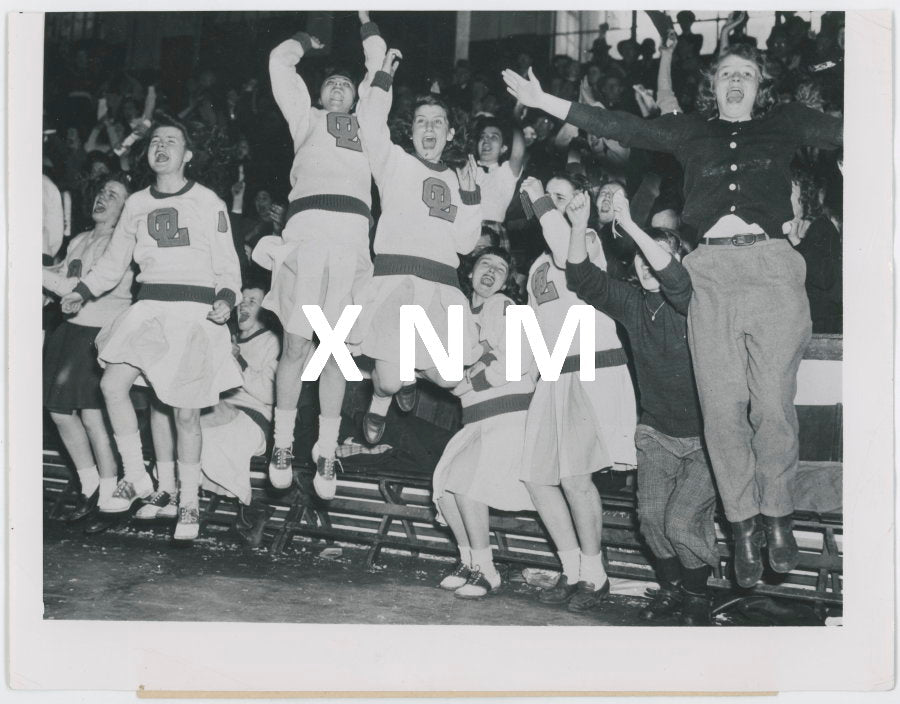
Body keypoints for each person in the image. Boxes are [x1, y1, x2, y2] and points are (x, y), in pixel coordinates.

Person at [502, 42, 842, 588]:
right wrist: (549, 101)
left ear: (760, 86)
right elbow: (625, 126)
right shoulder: (690, 130)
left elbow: (855, 129)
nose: (736, 81)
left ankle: (778, 514)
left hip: (774, 267)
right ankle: (744, 525)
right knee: (722, 409)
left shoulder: (785, 122)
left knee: (773, 404)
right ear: (713, 85)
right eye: (727, 73)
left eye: (747, 75)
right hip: (707, 272)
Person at [60, 116, 243, 542]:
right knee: (110, 385)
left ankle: (190, 501)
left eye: (172, 141)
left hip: (194, 311)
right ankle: (137, 476)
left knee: (185, 414)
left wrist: (226, 298)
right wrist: (82, 292)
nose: (161, 147)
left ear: (188, 155)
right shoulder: (136, 203)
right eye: (155, 141)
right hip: (150, 308)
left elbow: (227, 265)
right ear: (147, 153)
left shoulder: (209, 201)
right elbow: (113, 263)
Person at [566, 189, 718, 626]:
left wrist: (630, 223)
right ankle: (673, 590)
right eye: (640, 258)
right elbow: (583, 278)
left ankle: (696, 596)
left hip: (706, 439)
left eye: (658, 257)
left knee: (682, 521)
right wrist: (578, 228)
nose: (646, 265)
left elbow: (676, 279)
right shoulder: (635, 306)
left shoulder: (693, 304)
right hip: (655, 433)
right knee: (651, 520)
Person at [253, 12, 384, 500]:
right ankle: (282, 444)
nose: (337, 87)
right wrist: (306, 40)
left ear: (354, 97)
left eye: (344, 85)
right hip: (306, 235)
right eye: (330, 82)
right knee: (295, 346)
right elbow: (278, 63)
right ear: (318, 93)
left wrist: (367, 19)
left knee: (335, 353)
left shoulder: (369, 124)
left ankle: (326, 450)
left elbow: (376, 69)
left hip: (351, 241)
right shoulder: (304, 117)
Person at [352, 46, 484, 446]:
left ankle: (411, 371)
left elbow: (465, 243)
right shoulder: (394, 162)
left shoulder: (461, 179)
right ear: (410, 131)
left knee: (447, 375)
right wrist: (382, 80)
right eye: (421, 122)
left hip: (440, 286)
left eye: (437, 122)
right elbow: (369, 123)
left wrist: (472, 196)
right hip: (396, 281)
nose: (429, 128)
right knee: (388, 381)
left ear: (450, 132)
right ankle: (381, 399)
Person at [518, 174, 637, 612]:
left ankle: (595, 572)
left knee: (575, 476)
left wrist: (538, 198)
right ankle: (571, 567)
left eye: (562, 195)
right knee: (535, 475)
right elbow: (532, 328)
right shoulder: (535, 266)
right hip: (552, 376)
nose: (553, 202)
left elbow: (563, 241)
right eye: (548, 197)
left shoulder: (585, 239)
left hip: (590, 366)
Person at [432, 247, 535, 599]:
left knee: (467, 484)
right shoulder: (459, 313)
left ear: (508, 281)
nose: (492, 272)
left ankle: (487, 571)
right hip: (477, 417)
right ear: (471, 271)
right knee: (444, 487)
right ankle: (469, 560)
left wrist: (471, 379)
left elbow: (519, 358)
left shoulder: (503, 305)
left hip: (509, 414)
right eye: (485, 264)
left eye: (501, 268)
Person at [42, 176, 134, 521]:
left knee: (92, 414)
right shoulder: (81, 239)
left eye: (112, 195)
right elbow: (58, 281)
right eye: (100, 192)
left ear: (125, 208)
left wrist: (26, 266)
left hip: (98, 331)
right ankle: (91, 484)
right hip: (69, 330)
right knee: (57, 410)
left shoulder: (121, 243)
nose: (102, 198)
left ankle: (108, 494)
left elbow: (76, 285)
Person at [198, 284, 280, 545]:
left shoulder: (273, 341)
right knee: (190, 428)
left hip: (255, 417)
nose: (243, 305)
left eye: (252, 301)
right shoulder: (224, 335)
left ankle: (248, 507)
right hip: (221, 408)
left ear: (265, 310)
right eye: (242, 300)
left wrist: (239, 360)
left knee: (207, 433)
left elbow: (269, 392)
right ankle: (251, 509)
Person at [473, 117, 525, 249]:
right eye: (483, 137)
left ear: (503, 148)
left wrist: (513, 120)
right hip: (467, 227)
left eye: (493, 137)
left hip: (494, 231)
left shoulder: (506, 171)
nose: (486, 141)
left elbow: (519, 152)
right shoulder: (468, 168)